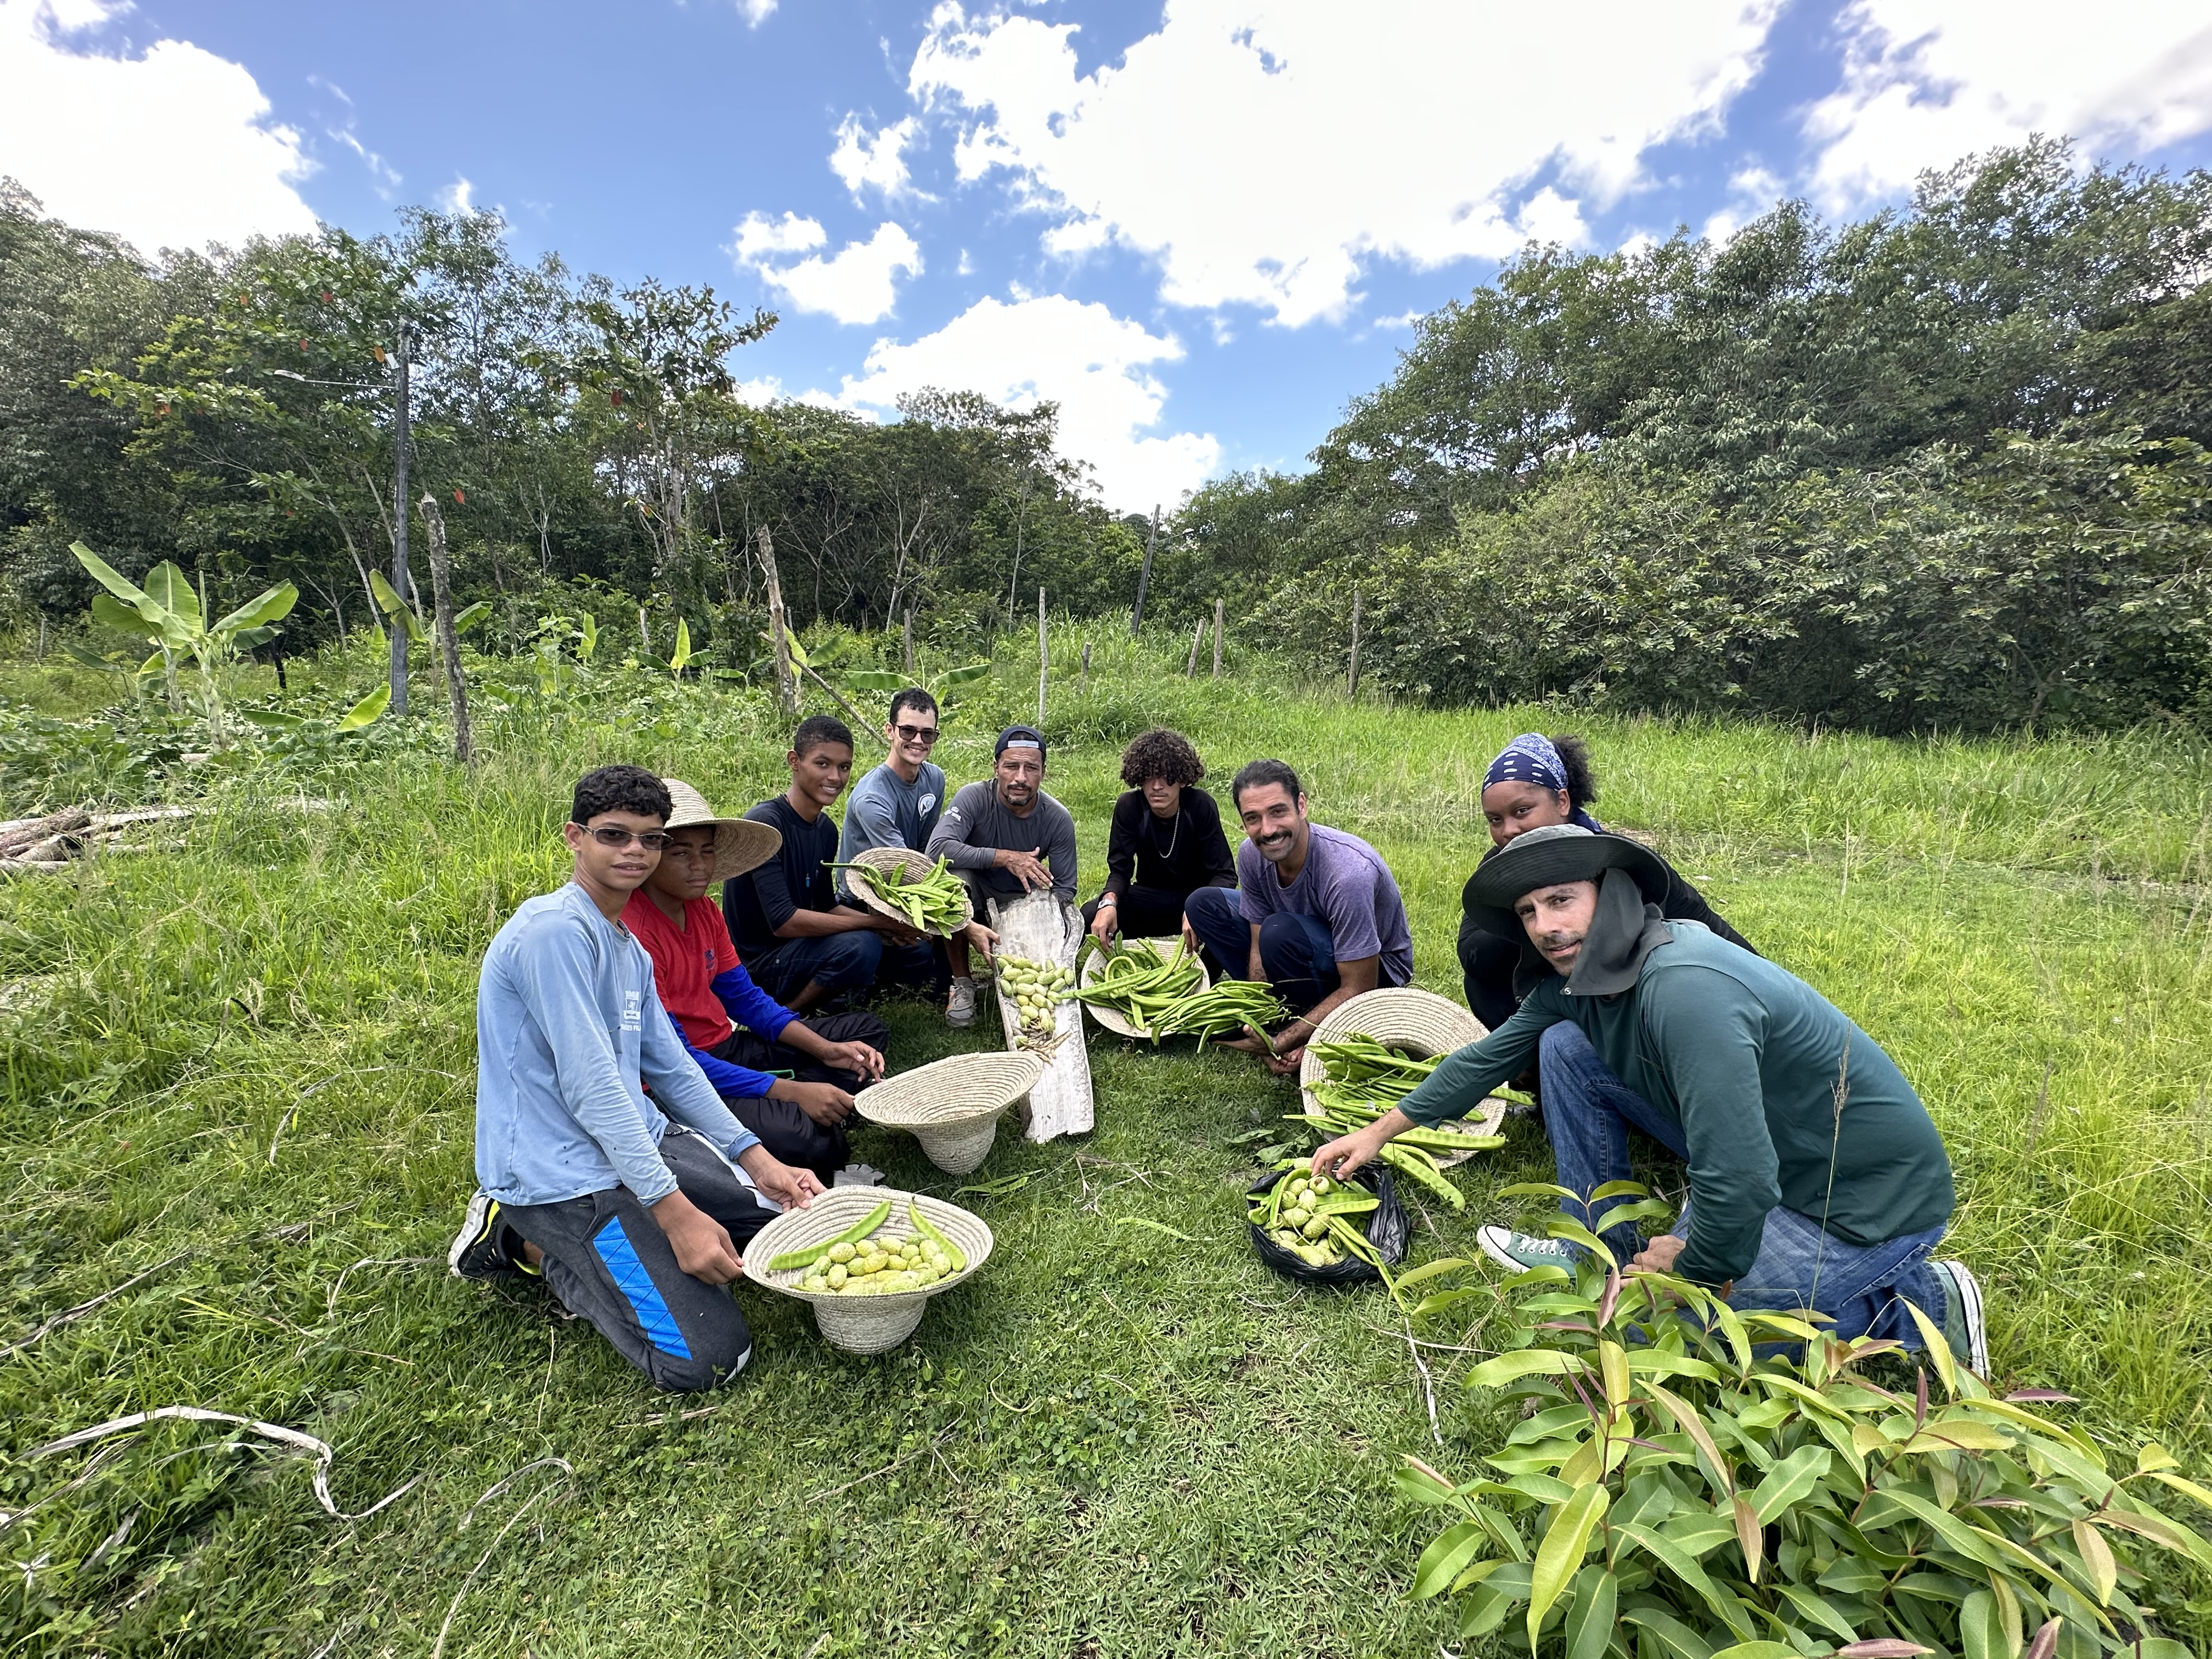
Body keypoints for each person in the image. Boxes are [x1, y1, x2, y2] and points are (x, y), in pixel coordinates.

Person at [1309, 823, 1988, 1371]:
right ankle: (1599, 1248)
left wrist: (1692, 1267)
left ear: (1612, 895)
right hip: (1778, 1157)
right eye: (1529, 911)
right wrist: (1379, 1132)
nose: (1546, 926)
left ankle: (1925, 1302)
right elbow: (1489, 1057)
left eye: (1562, 899)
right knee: (1562, 1049)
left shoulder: (1685, 987)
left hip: (1859, 1199)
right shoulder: (1586, 979)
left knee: (1680, 1334)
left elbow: (1742, 1179)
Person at [448, 765, 823, 1394]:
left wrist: (759, 1160)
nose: (635, 853)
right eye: (614, 835)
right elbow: (593, 1087)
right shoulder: (553, 935)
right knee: (710, 1359)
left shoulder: (627, 948)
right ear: (575, 837)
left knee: (782, 1221)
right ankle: (520, 1239)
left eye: (650, 840)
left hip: (638, 1143)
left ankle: (631, 1223)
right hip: (564, 1175)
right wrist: (675, 1215)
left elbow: (672, 1067)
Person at [623, 777, 891, 1184]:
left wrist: (827, 1049)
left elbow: (745, 1000)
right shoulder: (636, 936)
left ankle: (816, 1096)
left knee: (864, 1035)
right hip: (684, 1078)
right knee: (809, 1141)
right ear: (653, 855)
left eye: (707, 851)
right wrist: (792, 1092)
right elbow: (676, 1064)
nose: (699, 865)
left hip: (727, 1045)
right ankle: (806, 1110)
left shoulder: (703, 912)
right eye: (682, 853)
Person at [1459, 732, 1753, 1032]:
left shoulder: (1618, 860)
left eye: (1522, 811)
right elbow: (1474, 955)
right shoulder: (1499, 865)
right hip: (1549, 999)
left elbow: (1704, 922)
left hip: (1625, 1004)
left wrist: (1757, 977)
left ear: (1562, 801)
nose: (1509, 830)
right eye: (1495, 820)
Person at [1183, 758, 1413, 1077]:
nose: (1268, 830)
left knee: (1279, 933)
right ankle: (1283, 1008)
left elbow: (1361, 986)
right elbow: (1256, 942)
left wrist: (1281, 1040)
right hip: (1295, 937)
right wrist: (1260, 1019)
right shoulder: (1251, 854)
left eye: (1278, 811)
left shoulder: (1347, 874)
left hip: (1375, 975)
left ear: (1301, 806)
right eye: (1253, 818)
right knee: (1203, 904)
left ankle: (1309, 1022)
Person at [722, 714, 947, 1015]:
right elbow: (783, 922)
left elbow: (825, 904)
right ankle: (787, 1017)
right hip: (760, 962)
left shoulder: (825, 829)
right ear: (795, 761)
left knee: (914, 953)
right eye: (822, 764)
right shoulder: (766, 824)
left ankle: (841, 992)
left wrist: (895, 925)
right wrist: (876, 924)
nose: (835, 777)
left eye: (844, 767)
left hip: (801, 945)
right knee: (861, 946)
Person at [924, 724, 1078, 1027]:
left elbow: (1065, 889)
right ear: (996, 768)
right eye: (1011, 766)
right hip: (976, 902)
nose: (1020, 778)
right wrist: (1004, 858)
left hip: (1025, 906)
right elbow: (937, 849)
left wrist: (1038, 928)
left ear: (1043, 772)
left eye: (1031, 768)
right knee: (953, 878)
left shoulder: (1057, 819)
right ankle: (963, 983)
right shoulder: (973, 798)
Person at [1081, 726, 1237, 946]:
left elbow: (1225, 874)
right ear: (1138, 778)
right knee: (1090, 913)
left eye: (1167, 777)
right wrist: (1109, 902)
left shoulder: (1200, 805)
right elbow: (1120, 870)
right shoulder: (1130, 807)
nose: (1157, 786)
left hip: (1195, 899)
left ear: (1182, 779)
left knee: (1229, 918)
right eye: (1149, 777)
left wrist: (1200, 906)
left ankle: (1206, 976)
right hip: (1149, 897)